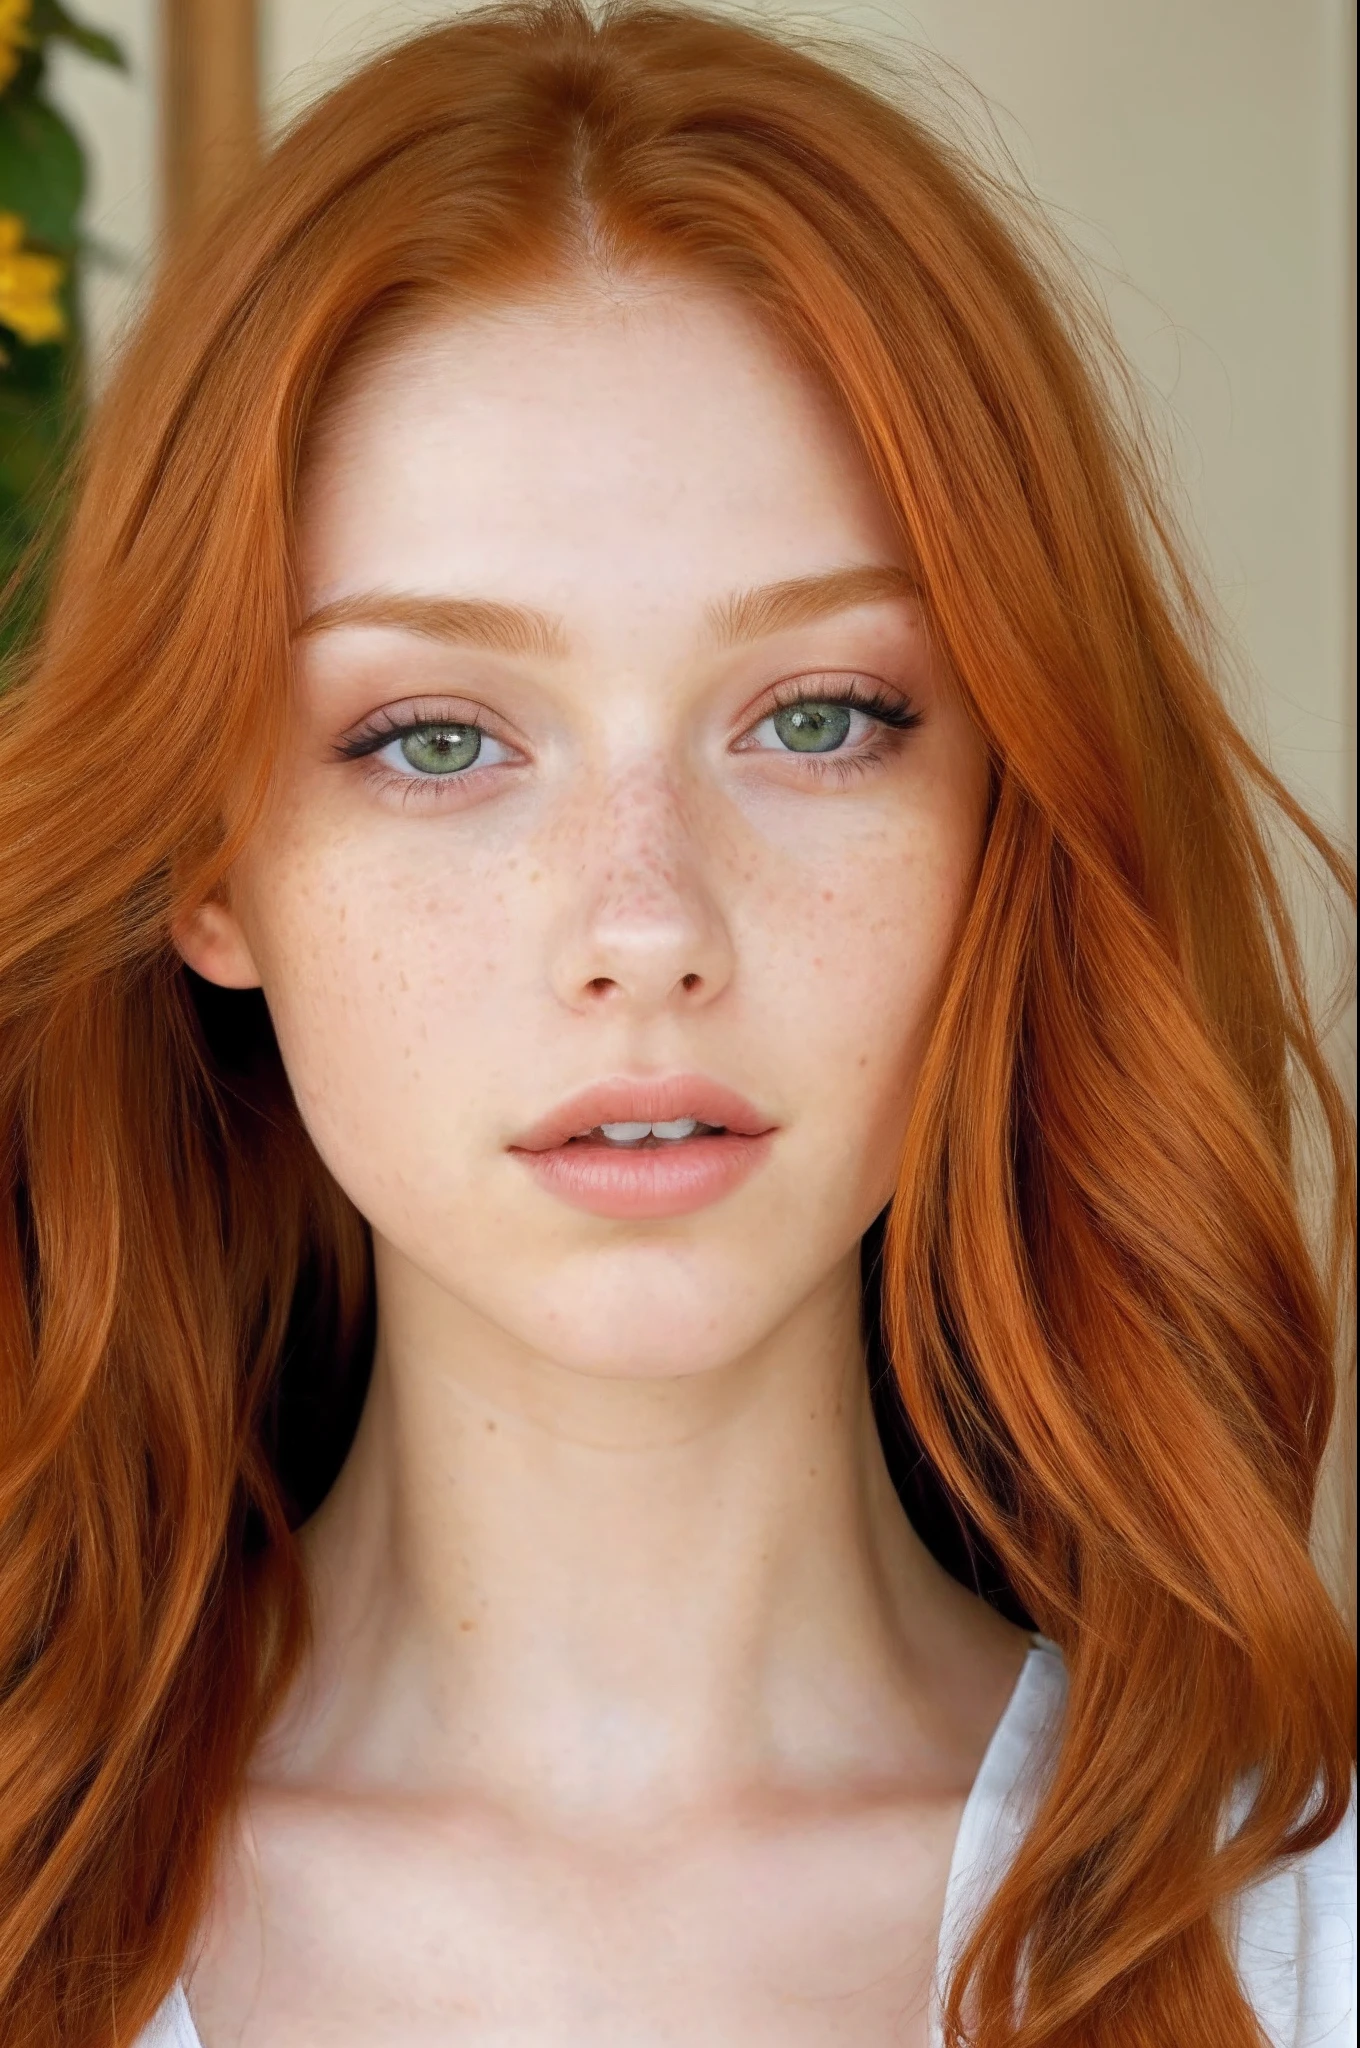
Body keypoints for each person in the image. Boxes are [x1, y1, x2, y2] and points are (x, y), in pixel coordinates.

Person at [0, 3, 1354, 2043]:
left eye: (818, 719)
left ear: (1008, 817)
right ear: (206, 858)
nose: (644, 926)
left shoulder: (1306, 1933)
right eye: (436, 736)